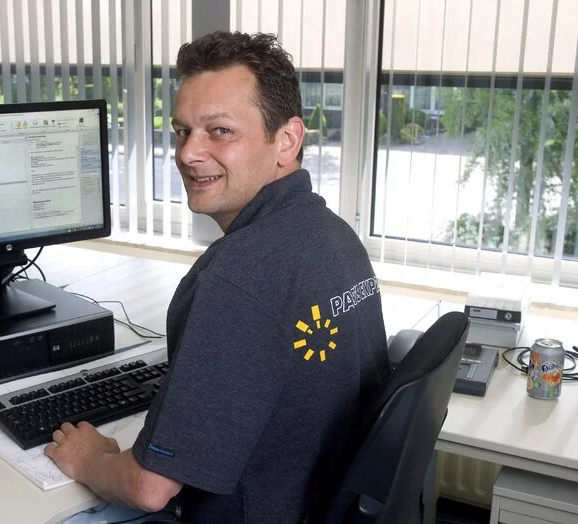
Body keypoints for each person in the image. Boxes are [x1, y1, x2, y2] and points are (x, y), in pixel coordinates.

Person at [45, 30, 390, 523]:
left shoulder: (237, 277)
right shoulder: (334, 236)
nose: (188, 154)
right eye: (182, 131)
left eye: (220, 131)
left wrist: (89, 460)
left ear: (287, 140)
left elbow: (149, 488)